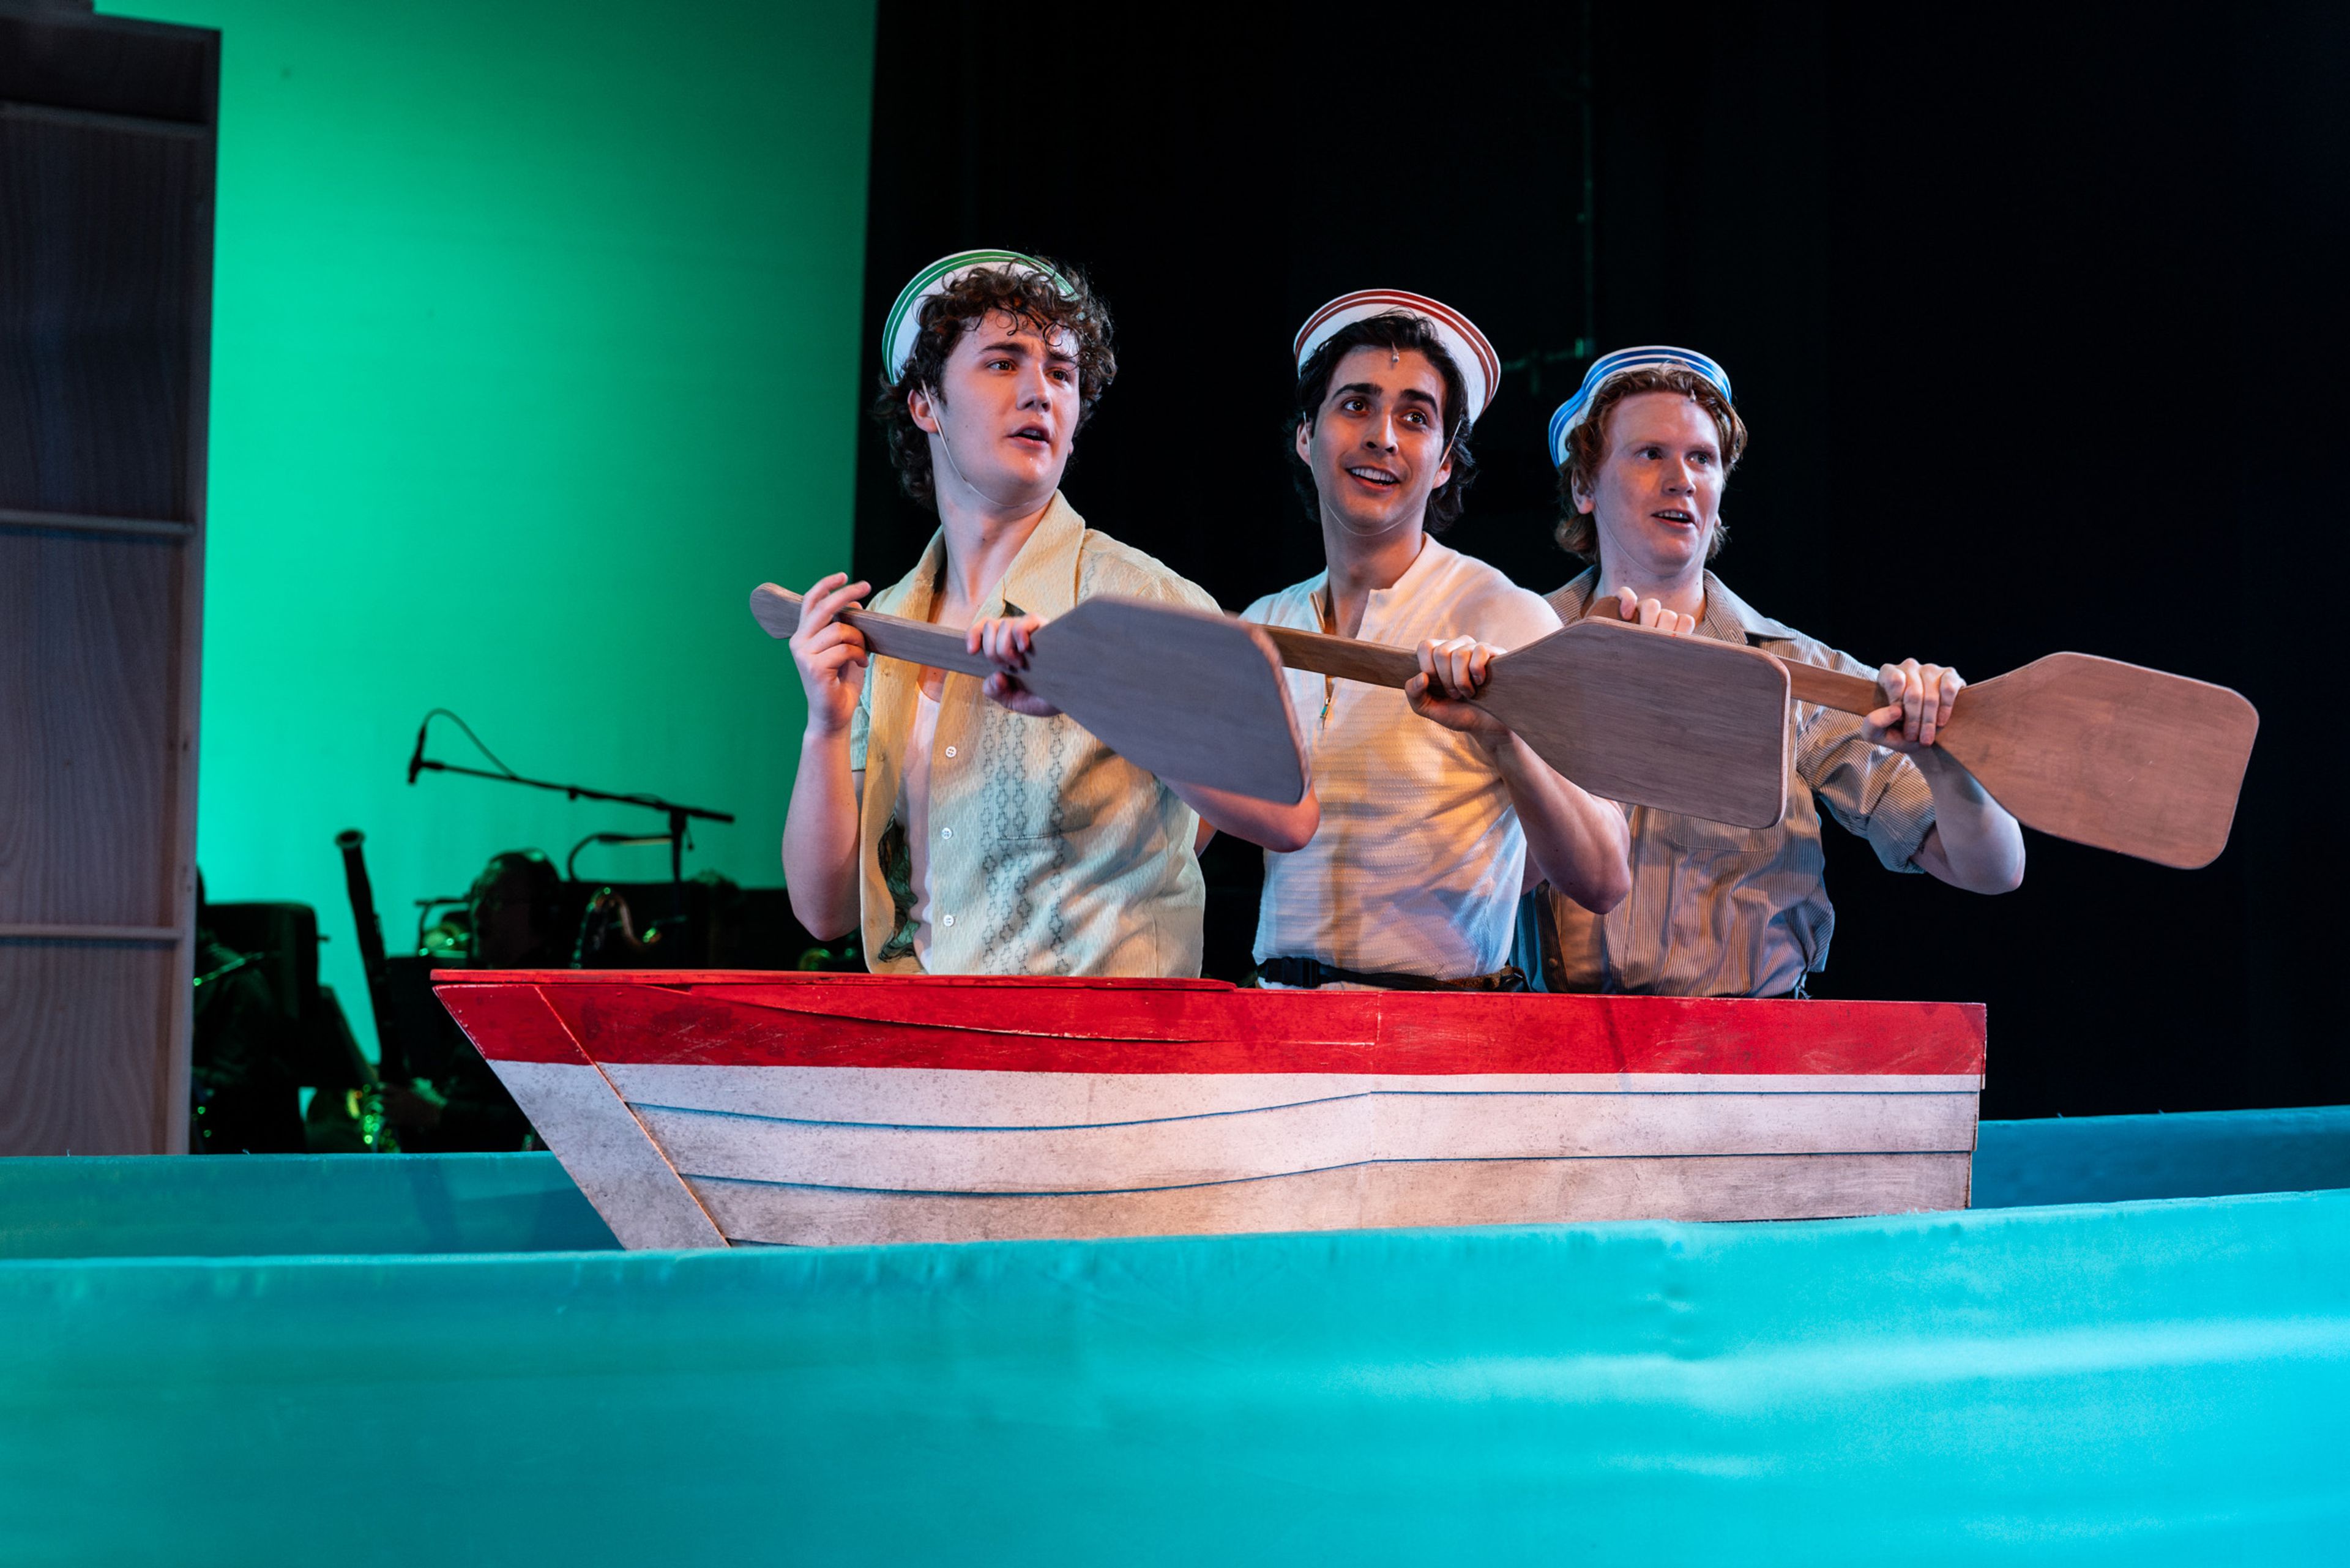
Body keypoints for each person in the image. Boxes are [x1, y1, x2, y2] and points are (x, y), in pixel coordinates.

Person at [781, 250, 1316, 977]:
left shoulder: (1150, 603)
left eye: (1062, 374)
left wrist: (1102, 693)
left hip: (1104, 1065)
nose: (1040, 392)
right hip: (928, 1058)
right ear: (924, 404)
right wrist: (827, 723)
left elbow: (1288, 819)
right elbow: (826, 912)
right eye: (1004, 363)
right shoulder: (892, 621)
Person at [1534, 346, 2025, 996]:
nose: (1682, 479)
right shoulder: (1522, 645)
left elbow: (1992, 869)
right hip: (1550, 1053)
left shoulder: (1795, 671)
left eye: (1702, 459)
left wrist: (1943, 757)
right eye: (1650, 453)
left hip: (1759, 1056)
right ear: (1584, 486)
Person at [1238, 291, 1633, 991]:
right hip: (1278, 1031)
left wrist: (1503, 738)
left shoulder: (1505, 616)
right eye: (1356, 404)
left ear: (1446, 459)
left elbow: (1603, 876)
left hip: (1444, 1043)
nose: (1383, 436)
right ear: (1307, 435)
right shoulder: (1263, 624)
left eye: (1415, 418)